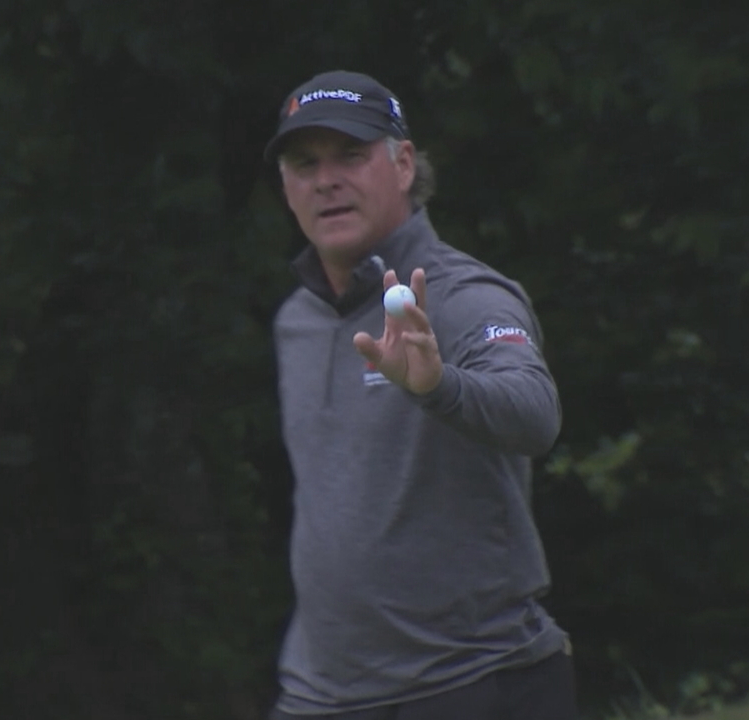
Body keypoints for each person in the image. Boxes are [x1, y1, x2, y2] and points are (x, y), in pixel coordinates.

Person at [263, 70, 578, 720]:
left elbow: (535, 414)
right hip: (321, 696)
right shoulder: (297, 319)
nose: (326, 180)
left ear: (403, 164)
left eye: (350, 155)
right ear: (287, 186)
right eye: (305, 164)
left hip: (473, 680)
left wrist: (439, 386)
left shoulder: (465, 296)